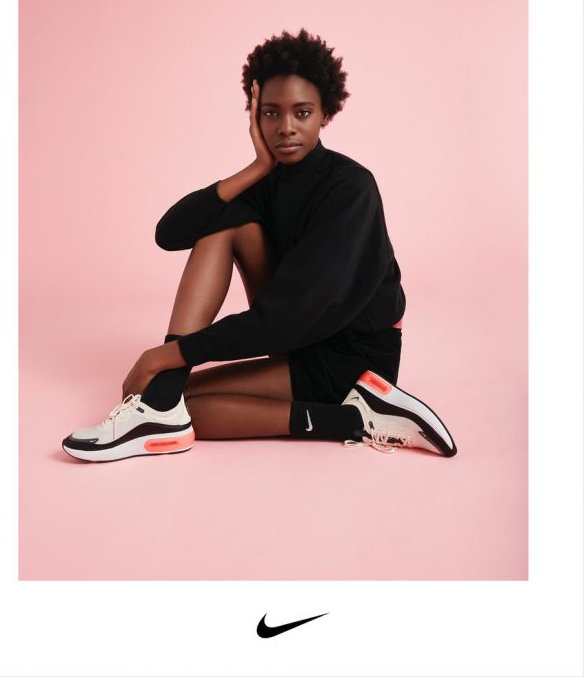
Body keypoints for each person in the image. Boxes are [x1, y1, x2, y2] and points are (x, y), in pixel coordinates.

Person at [62, 28, 457, 463]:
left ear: (326, 113)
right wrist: (255, 167)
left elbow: (292, 313)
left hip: (351, 358)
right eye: (271, 113)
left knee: (182, 402)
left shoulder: (351, 188)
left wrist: (167, 356)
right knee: (220, 226)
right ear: (255, 116)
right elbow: (170, 233)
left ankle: (355, 418)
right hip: (299, 337)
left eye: (302, 112)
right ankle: (160, 407)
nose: (285, 128)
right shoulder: (268, 182)